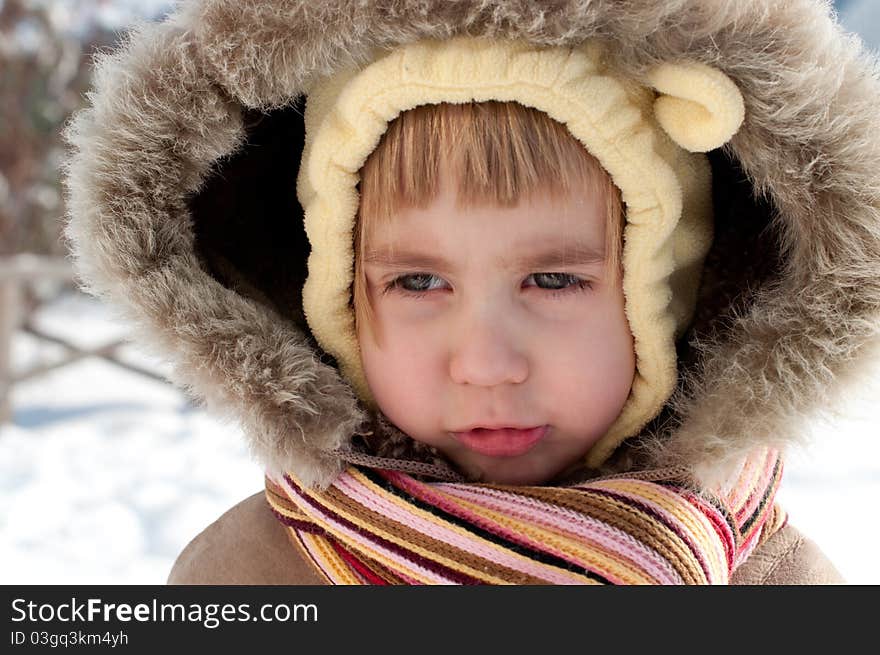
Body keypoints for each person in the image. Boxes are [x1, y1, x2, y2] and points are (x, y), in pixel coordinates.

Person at [62, 0, 879, 584]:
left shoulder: (774, 582)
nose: (486, 363)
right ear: (337, 304)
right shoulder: (248, 581)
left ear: (669, 295)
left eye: (554, 279)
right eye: (418, 281)